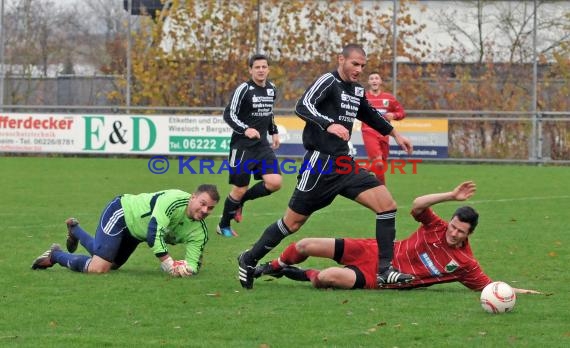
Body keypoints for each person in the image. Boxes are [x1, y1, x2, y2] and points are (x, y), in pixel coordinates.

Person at [237, 43, 414, 290]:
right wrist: (328, 124)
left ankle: (385, 270)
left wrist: (396, 134)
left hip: (343, 163)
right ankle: (249, 258)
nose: (359, 69)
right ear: (341, 59)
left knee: (387, 206)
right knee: (292, 223)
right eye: (355, 64)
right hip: (319, 165)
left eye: (362, 66)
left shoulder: (356, 90)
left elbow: (370, 114)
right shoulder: (328, 81)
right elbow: (303, 105)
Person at [254, 181, 541, 294]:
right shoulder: (436, 227)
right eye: (453, 226)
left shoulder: (465, 262)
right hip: (377, 251)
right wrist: (451, 195)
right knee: (305, 244)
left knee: (326, 278)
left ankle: (301, 274)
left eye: (460, 232)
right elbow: (417, 204)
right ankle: (274, 267)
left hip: (382, 279)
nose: (453, 233)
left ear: (469, 235)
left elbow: (491, 288)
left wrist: (525, 293)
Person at [31, 185, 220, 277]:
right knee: (99, 268)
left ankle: (75, 230)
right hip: (122, 212)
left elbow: (194, 264)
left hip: (135, 234)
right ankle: (55, 255)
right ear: (193, 197)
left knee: (110, 264)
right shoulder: (173, 200)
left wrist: (185, 269)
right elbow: (153, 232)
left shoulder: (199, 232)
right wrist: (169, 263)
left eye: (210, 208)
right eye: (202, 203)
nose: (205, 210)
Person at [217, 53, 282, 238]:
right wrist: (245, 129)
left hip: (261, 146)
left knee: (275, 182)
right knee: (239, 188)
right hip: (242, 147)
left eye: (264, 67)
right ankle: (223, 225)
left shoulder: (272, 89)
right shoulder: (244, 89)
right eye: (257, 67)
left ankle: (240, 202)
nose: (261, 70)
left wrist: (273, 131)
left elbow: (269, 113)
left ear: (268, 69)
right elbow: (229, 114)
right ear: (250, 70)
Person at [362, 72, 406, 184]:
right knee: (379, 163)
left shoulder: (389, 98)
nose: (374, 80)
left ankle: (381, 191)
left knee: (381, 166)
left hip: (385, 134)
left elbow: (401, 112)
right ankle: (356, 172)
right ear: (368, 82)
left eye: (376, 78)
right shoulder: (363, 98)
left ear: (380, 81)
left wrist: (394, 115)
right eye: (371, 78)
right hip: (369, 132)